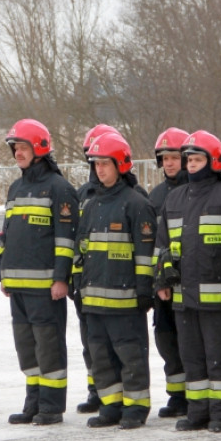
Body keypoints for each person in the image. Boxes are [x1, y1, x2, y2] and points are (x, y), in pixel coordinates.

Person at [154, 130, 221, 432]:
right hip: (183, 296)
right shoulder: (174, 198)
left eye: (197, 158)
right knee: (192, 357)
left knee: (220, 356)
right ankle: (198, 411)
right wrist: (162, 278)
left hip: (219, 298)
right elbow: (162, 243)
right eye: (188, 158)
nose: (190, 163)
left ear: (213, 161)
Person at [0, 119, 78, 425]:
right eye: (15, 148)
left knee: (49, 347)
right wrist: (1, 272)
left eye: (23, 147)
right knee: (27, 348)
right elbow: (5, 234)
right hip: (17, 285)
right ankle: (32, 402)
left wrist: (61, 278)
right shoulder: (16, 188)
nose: (18, 153)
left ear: (39, 148)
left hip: (46, 287)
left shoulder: (59, 188)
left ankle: (52, 406)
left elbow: (65, 239)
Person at [76, 131, 156, 429]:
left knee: (130, 354)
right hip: (94, 298)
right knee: (101, 357)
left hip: (126, 300)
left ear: (121, 164)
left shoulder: (136, 204)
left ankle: (135, 407)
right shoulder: (92, 204)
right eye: (96, 164)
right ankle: (111, 405)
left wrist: (144, 290)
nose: (99, 169)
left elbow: (145, 254)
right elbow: (81, 249)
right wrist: (78, 284)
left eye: (105, 164)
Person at [73, 123, 121, 415]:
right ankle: (97, 390)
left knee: (116, 345)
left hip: (116, 284)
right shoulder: (83, 194)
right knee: (91, 343)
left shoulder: (129, 193)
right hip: (87, 283)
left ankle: (118, 394)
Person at [147, 127, 190, 419]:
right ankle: (177, 395)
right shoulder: (156, 196)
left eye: (174, 157)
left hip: (192, 281)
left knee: (193, 341)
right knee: (166, 339)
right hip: (164, 283)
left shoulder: (199, 190)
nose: (169, 163)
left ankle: (197, 395)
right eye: (164, 158)